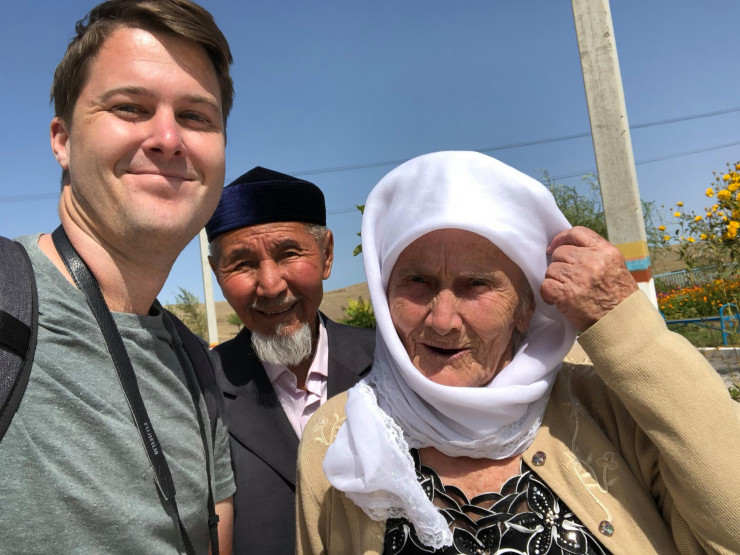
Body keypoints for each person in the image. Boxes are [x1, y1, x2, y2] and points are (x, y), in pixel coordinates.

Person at [296, 151, 740, 554]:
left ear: (527, 307)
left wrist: (624, 322)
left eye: (476, 285)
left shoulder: (608, 406)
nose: (442, 320)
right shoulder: (337, 437)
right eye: (417, 282)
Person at [0, 1, 236, 553]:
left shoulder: (196, 365)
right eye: (130, 107)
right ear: (62, 140)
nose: (168, 138)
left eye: (196, 117)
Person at [206, 166, 376, 554]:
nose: (270, 285)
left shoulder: (392, 365)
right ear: (217, 273)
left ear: (327, 255)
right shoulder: (200, 389)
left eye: (288, 254)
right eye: (242, 263)